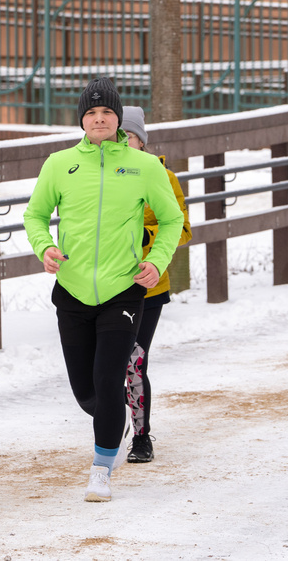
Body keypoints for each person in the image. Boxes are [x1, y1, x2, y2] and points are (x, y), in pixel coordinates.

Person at [23, 78, 184, 501]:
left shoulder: (145, 167)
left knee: (109, 378)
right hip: (73, 291)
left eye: (107, 114)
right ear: (82, 120)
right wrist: (45, 246)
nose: (100, 119)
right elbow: (35, 215)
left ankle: (101, 470)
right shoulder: (59, 164)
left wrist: (156, 260)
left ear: (117, 120)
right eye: (92, 114)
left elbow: (171, 221)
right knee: (86, 390)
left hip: (123, 290)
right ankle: (112, 420)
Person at [120, 106, 192, 463]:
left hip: (149, 287)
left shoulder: (163, 176)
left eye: (129, 135)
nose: (123, 141)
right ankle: (110, 423)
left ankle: (141, 436)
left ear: (142, 140)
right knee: (104, 362)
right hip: (104, 287)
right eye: (118, 135)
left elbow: (181, 228)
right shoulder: (99, 176)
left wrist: (139, 239)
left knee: (134, 360)